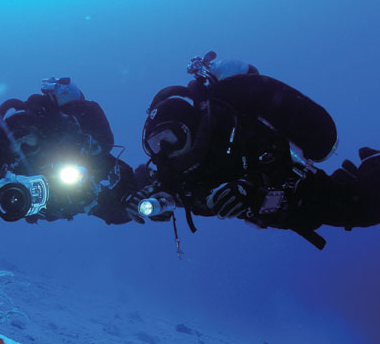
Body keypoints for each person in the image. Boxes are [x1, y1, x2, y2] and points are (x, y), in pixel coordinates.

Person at [134, 51, 380, 249]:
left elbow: (278, 155)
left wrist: (251, 186)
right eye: (154, 144)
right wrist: (146, 200)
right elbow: (143, 183)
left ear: (191, 128)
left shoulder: (229, 130)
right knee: (346, 206)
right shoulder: (170, 168)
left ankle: (373, 161)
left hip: (294, 192)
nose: (164, 150)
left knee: (364, 209)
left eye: (172, 137)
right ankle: (351, 175)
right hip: (271, 213)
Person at [0, 77, 136, 233]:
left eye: (26, 135)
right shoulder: (8, 170)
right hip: (49, 209)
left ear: (38, 133)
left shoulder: (69, 150)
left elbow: (119, 174)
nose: (22, 143)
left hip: (76, 199)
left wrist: (133, 197)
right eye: (15, 139)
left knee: (116, 212)